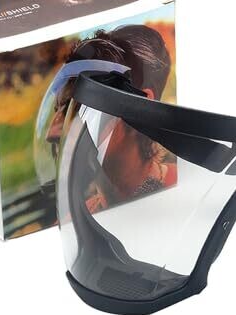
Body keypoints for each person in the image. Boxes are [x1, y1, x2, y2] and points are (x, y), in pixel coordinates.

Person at [45, 24, 175, 212]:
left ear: (139, 107)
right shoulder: (70, 219)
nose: (51, 133)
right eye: (57, 109)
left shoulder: (187, 192)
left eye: (76, 108)